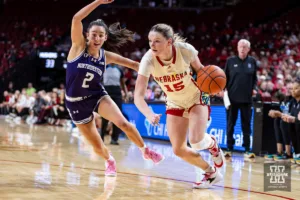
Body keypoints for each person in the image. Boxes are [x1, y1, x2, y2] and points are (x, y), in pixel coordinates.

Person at [65, 0, 164, 177]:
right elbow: (76, 18)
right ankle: (109, 160)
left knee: (123, 123)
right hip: (75, 103)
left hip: (96, 95)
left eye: (100, 35)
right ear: (87, 35)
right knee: (96, 145)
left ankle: (145, 150)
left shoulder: (106, 56)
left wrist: (160, 73)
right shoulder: (78, 48)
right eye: (93, 34)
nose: (96, 38)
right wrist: (98, 1)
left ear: (105, 38)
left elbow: (134, 64)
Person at [134, 23, 224, 189]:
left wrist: (214, 86)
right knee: (178, 149)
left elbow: (202, 72)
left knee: (196, 142)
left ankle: (213, 144)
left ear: (169, 42)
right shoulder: (147, 60)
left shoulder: (185, 50)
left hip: (196, 96)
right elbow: (138, 96)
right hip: (174, 102)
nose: (152, 45)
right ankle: (210, 172)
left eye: (157, 41)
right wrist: (149, 114)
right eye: (150, 41)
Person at [224, 39, 257, 158]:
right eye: (241, 46)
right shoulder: (230, 61)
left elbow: (255, 79)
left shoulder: (252, 62)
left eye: (245, 47)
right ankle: (229, 148)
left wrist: (254, 88)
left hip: (247, 99)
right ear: (237, 48)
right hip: (232, 99)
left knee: (246, 125)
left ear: (248, 49)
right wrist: (223, 91)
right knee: (230, 124)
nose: (242, 49)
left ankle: (247, 149)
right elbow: (224, 77)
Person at [101, 63, 128, 145]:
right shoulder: (103, 68)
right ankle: (101, 138)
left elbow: (123, 84)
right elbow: (99, 81)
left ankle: (114, 139)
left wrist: (126, 93)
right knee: (104, 117)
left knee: (118, 116)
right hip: (106, 92)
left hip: (117, 93)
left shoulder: (119, 70)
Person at [267, 83, 293, 161]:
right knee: (277, 120)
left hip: (292, 120)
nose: (288, 90)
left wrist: (280, 114)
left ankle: (288, 152)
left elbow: (292, 114)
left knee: (282, 121)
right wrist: (274, 113)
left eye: (291, 89)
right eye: (287, 88)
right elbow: (274, 95)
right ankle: (279, 151)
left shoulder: (294, 100)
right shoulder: (283, 99)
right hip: (284, 118)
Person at [281, 79, 300, 165]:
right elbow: (288, 116)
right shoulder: (292, 102)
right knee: (284, 122)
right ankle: (295, 152)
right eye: (292, 89)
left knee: (297, 124)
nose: (292, 91)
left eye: (295, 88)